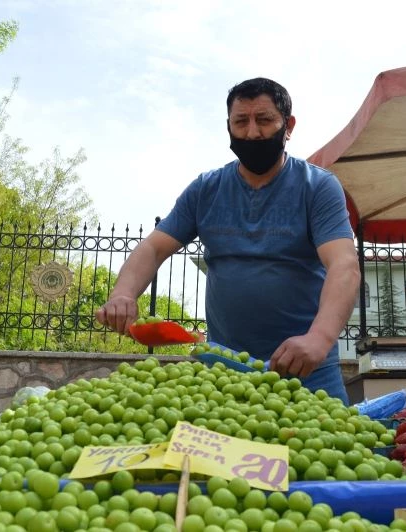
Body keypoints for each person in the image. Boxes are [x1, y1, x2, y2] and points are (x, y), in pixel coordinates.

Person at [95, 77, 360, 403]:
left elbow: (344, 265)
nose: (252, 133)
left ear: (288, 126)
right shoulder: (206, 189)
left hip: (307, 370)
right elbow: (152, 247)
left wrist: (319, 338)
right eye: (241, 122)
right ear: (228, 127)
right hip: (223, 374)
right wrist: (123, 293)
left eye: (264, 120)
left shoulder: (318, 187)